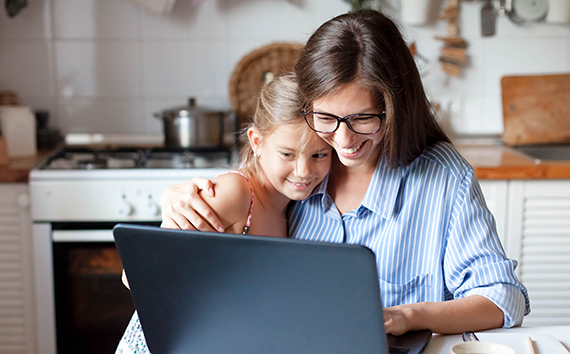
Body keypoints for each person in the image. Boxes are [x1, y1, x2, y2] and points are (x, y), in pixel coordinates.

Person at [159, 10, 530, 336]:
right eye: (326, 118)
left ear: (394, 107)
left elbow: (502, 298)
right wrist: (176, 199)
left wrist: (410, 315)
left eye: (363, 119)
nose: (343, 140)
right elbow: (243, 195)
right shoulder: (306, 162)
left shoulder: (444, 178)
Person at [115, 73, 332, 354]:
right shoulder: (236, 193)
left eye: (319, 155)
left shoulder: (295, 205)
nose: (303, 171)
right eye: (287, 154)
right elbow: (135, 276)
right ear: (256, 142)